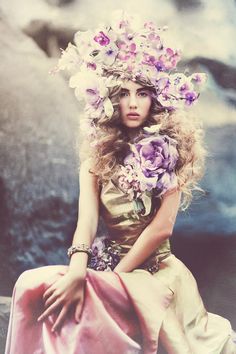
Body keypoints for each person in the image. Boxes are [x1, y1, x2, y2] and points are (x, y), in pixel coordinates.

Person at [5, 10, 236, 354]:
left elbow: (161, 229)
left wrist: (110, 278)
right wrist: (78, 272)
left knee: (88, 307)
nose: (132, 102)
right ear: (111, 99)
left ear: (154, 98)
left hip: (154, 273)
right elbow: (87, 223)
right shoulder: (95, 159)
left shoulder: (168, 152)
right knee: (29, 283)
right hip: (103, 263)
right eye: (123, 93)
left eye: (142, 93)